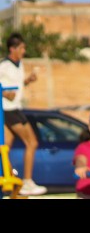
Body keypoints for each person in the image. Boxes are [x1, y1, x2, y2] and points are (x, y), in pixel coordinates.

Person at [0, 32, 47, 196]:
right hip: (9, 109)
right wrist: (4, 93)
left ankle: (9, 178)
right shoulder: (4, 66)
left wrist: (28, 80)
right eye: (21, 48)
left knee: (4, 148)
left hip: (14, 108)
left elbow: (17, 84)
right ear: (12, 49)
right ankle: (27, 181)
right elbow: (4, 88)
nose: (24, 51)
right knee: (32, 142)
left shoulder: (19, 64)